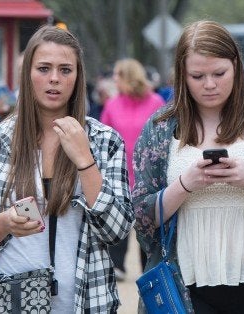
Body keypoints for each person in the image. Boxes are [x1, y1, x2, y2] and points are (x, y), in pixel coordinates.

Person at [0, 25, 135, 313]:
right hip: (9, 300)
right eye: (43, 68)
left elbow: (117, 230)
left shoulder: (104, 141)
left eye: (65, 70)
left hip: (85, 301)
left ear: (78, 76)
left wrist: (85, 159)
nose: (54, 79)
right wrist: (4, 223)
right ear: (27, 74)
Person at [132, 20, 244, 313]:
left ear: (236, 67)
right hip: (184, 289)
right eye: (197, 75)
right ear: (182, 75)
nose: (210, 84)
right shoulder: (160, 128)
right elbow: (142, 217)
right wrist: (184, 185)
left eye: (219, 73)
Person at [99, 58, 164, 280]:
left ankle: (150, 267)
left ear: (127, 77)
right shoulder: (112, 104)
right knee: (119, 217)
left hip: (149, 173)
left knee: (148, 223)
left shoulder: (155, 102)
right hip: (119, 171)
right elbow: (103, 135)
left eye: (117, 75)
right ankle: (117, 265)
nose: (113, 80)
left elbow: (162, 134)